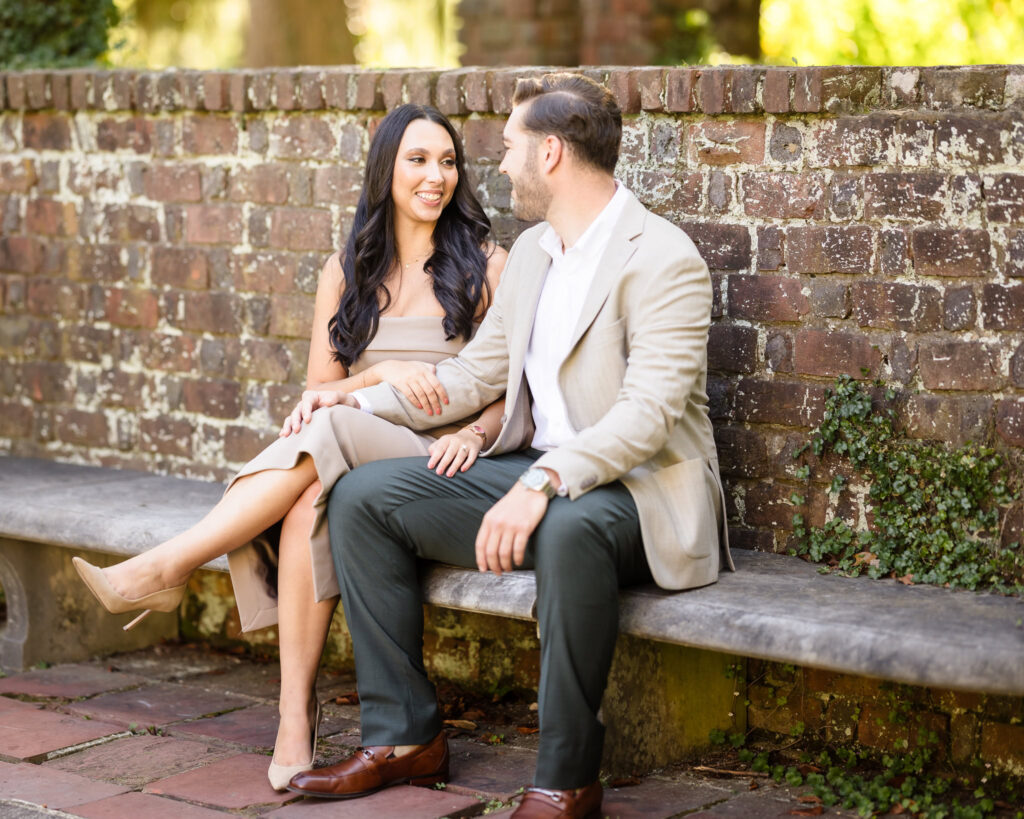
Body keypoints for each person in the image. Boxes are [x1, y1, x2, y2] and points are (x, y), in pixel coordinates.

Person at [285, 73, 734, 818]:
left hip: (638, 492)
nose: (497, 165)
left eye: (511, 146)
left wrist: (543, 480)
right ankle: (404, 737)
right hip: (536, 474)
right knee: (363, 499)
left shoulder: (662, 257)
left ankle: (565, 780)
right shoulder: (532, 252)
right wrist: (356, 393)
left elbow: (648, 415)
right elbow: (473, 374)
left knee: (566, 526)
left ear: (551, 153)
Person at [70, 103, 508, 791]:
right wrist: (381, 374)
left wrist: (473, 431)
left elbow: (516, 386)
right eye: (418, 160)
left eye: (448, 161)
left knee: (325, 438)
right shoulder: (348, 269)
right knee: (307, 500)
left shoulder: (487, 265)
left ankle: (171, 563)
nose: (437, 176)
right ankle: (293, 716)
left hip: (435, 462)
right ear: (385, 170)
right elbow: (321, 389)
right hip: (354, 446)